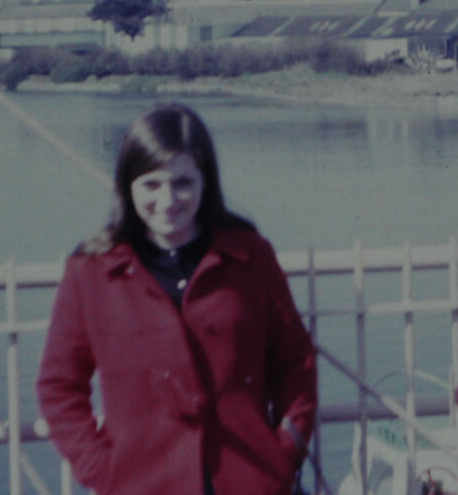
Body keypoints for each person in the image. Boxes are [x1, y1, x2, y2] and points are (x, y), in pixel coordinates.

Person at [37, 103, 317, 495]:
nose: (167, 200)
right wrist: (105, 472)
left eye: (182, 182)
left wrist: (285, 451)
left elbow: (296, 364)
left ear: (206, 182)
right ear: (128, 185)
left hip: (249, 480)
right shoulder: (92, 272)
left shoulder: (250, 256)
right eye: (151, 184)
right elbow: (58, 387)